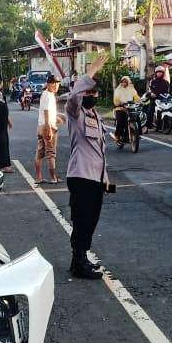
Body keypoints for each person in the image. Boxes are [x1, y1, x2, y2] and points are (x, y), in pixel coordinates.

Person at [65, 52, 109, 280]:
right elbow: (73, 95)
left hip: (96, 178)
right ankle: (79, 261)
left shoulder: (97, 117)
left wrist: (106, 179)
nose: (90, 95)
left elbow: (100, 151)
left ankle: (79, 259)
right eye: (87, 91)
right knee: (81, 219)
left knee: (91, 220)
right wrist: (90, 72)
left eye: (93, 92)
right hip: (80, 175)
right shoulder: (75, 112)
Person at [34, 74, 64, 183]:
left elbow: (47, 111)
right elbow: (46, 112)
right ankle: (52, 178)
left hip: (42, 126)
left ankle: (38, 178)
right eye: (54, 83)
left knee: (40, 153)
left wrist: (57, 118)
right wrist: (49, 128)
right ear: (48, 84)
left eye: (57, 83)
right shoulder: (47, 95)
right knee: (51, 153)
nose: (56, 85)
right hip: (47, 127)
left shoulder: (48, 95)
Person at [112, 76, 139, 143]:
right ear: (121, 82)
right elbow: (116, 100)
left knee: (137, 118)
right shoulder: (118, 90)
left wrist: (139, 101)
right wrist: (119, 103)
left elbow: (136, 97)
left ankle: (137, 133)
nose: (124, 83)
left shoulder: (131, 89)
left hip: (130, 108)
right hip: (120, 108)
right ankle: (117, 135)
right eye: (123, 82)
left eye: (126, 82)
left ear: (128, 82)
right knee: (120, 121)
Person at [146, 65, 170, 130]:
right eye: (158, 72)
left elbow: (167, 91)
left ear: (163, 73)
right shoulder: (153, 81)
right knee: (150, 111)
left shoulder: (166, 82)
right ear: (156, 73)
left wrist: (167, 95)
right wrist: (151, 93)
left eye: (161, 72)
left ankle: (165, 125)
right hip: (154, 99)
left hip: (163, 100)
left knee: (168, 109)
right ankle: (148, 126)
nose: (159, 73)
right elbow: (150, 89)